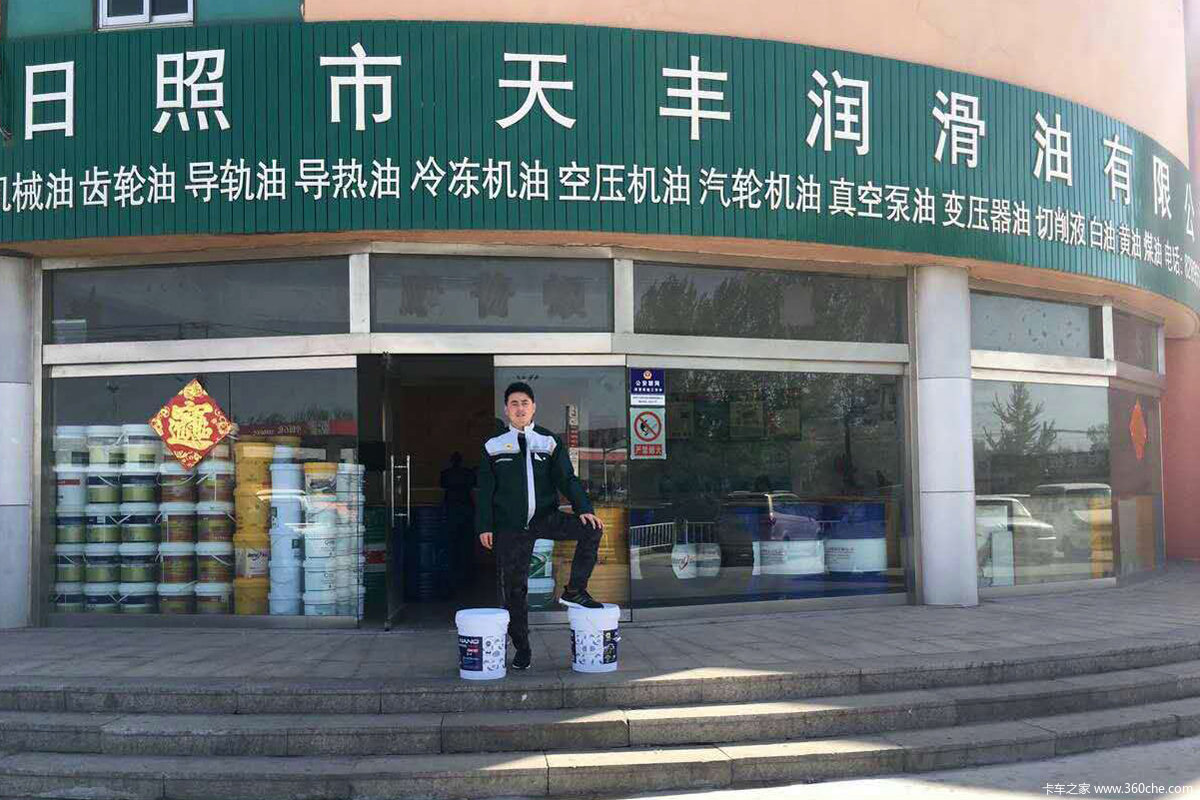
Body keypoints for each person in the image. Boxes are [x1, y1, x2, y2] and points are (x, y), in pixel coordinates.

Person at [476, 381, 605, 671]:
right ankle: (522, 649)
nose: (520, 408)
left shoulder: (549, 441)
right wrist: (484, 525)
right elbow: (485, 491)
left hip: (545, 518)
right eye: (514, 403)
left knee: (592, 529)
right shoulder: (493, 445)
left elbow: (567, 479)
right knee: (515, 591)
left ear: (533, 407)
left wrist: (584, 509)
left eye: (525, 403)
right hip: (510, 526)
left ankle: (575, 590)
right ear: (506, 409)